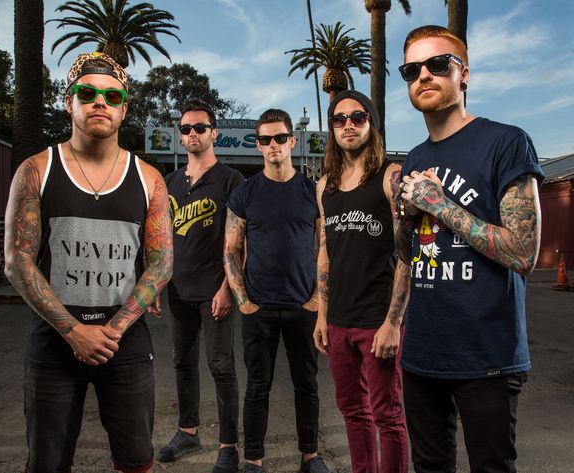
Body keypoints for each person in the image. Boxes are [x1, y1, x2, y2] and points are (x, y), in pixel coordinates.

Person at [4, 52, 173, 473]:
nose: (100, 102)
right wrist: (74, 331)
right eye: (88, 93)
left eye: (112, 96)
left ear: (124, 109)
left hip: (125, 341)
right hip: (55, 340)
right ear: (69, 101)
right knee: (46, 462)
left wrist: (113, 330)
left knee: (137, 461)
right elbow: (17, 259)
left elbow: (162, 262)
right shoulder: (36, 170)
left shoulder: (148, 178)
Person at [396, 25, 544, 473]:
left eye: (438, 64)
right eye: (411, 70)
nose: (424, 75)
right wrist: (406, 215)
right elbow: (406, 253)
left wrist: (439, 205)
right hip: (422, 351)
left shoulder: (506, 142)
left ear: (464, 75)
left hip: (486, 354)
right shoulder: (415, 157)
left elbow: (523, 253)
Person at [223, 109, 330, 473]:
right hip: (259, 308)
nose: (273, 145)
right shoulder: (245, 193)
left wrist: (316, 300)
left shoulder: (312, 192)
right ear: (258, 145)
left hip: (303, 306)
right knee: (257, 387)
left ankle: (310, 456)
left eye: (280, 138)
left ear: (292, 141)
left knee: (307, 385)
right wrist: (243, 302)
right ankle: (253, 460)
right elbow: (231, 250)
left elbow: (324, 247)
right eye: (266, 139)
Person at [312, 90, 410, 473]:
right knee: (352, 410)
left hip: (377, 320)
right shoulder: (325, 186)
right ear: (332, 128)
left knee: (387, 414)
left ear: (372, 123)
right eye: (339, 119)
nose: (348, 125)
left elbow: (408, 253)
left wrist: (393, 322)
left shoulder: (390, 176)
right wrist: (322, 315)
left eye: (358, 117)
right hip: (339, 320)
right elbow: (325, 252)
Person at [157, 100, 244, 473]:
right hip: (178, 291)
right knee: (182, 362)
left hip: (214, 291)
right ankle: (187, 432)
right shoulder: (170, 182)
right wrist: (156, 285)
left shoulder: (231, 180)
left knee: (221, 366)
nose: (193, 133)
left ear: (214, 133)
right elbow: (160, 239)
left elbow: (240, 242)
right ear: (180, 136)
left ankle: (228, 446)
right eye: (186, 128)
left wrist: (228, 288)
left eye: (200, 127)